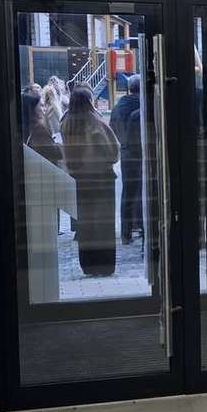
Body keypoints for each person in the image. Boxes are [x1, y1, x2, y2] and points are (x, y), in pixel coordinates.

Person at [60, 86, 120, 276]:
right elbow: (113, 150)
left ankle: (88, 264)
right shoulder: (95, 122)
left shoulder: (66, 123)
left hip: (78, 178)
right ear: (89, 101)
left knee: (85, 222)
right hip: (101, 178)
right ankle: (104, 264)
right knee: (103, 223)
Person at [110, 75, 144, 244]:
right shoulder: (142, 104)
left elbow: (112, 128)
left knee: (128, 193)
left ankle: (126, 233)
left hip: (126, 153)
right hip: (141, 152)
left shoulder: (118, 107)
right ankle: (142, 226)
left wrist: (123, 142)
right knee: (144, 191)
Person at [21, 91, 63, 167]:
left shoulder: (24, 127)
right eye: (41, 106)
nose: (45, 109)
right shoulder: (38, 130)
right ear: (33, 108)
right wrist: (59, 145)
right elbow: (56, 153)